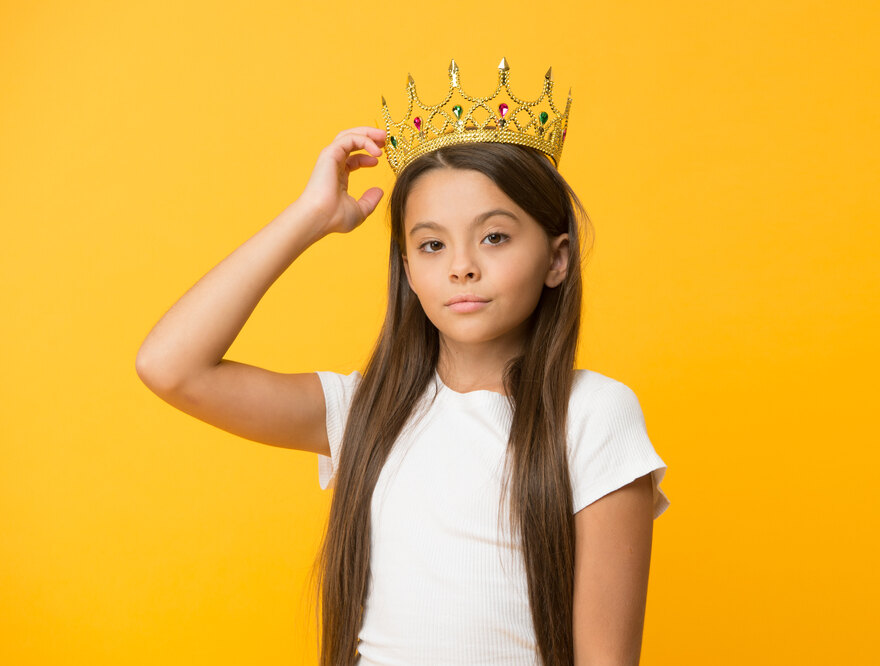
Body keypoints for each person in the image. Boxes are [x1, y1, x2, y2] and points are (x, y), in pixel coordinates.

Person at [136, 65, 669, 666]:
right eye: (432, 244)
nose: (461, 266)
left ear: (557, 258)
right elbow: (170, 366)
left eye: (494, 237)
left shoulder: (594, 414)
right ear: (408, 271)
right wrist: (311, 215)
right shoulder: (366, 413)